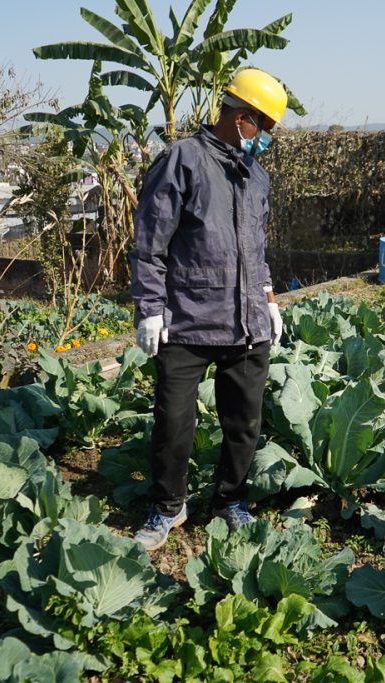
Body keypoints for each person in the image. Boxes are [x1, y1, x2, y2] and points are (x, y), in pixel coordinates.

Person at [128, 68, 287, 551]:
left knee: (244, 423)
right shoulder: (182, 161)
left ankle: (229, 499)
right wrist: (149, 308)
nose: (265, 140)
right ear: (242, 118)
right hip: (188, 320)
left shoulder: (255, 175)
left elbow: (254, 248)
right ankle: (168, 507)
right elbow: (150, 244)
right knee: (173, 422)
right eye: (264, 127)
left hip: (246, 323)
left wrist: (269, 298)